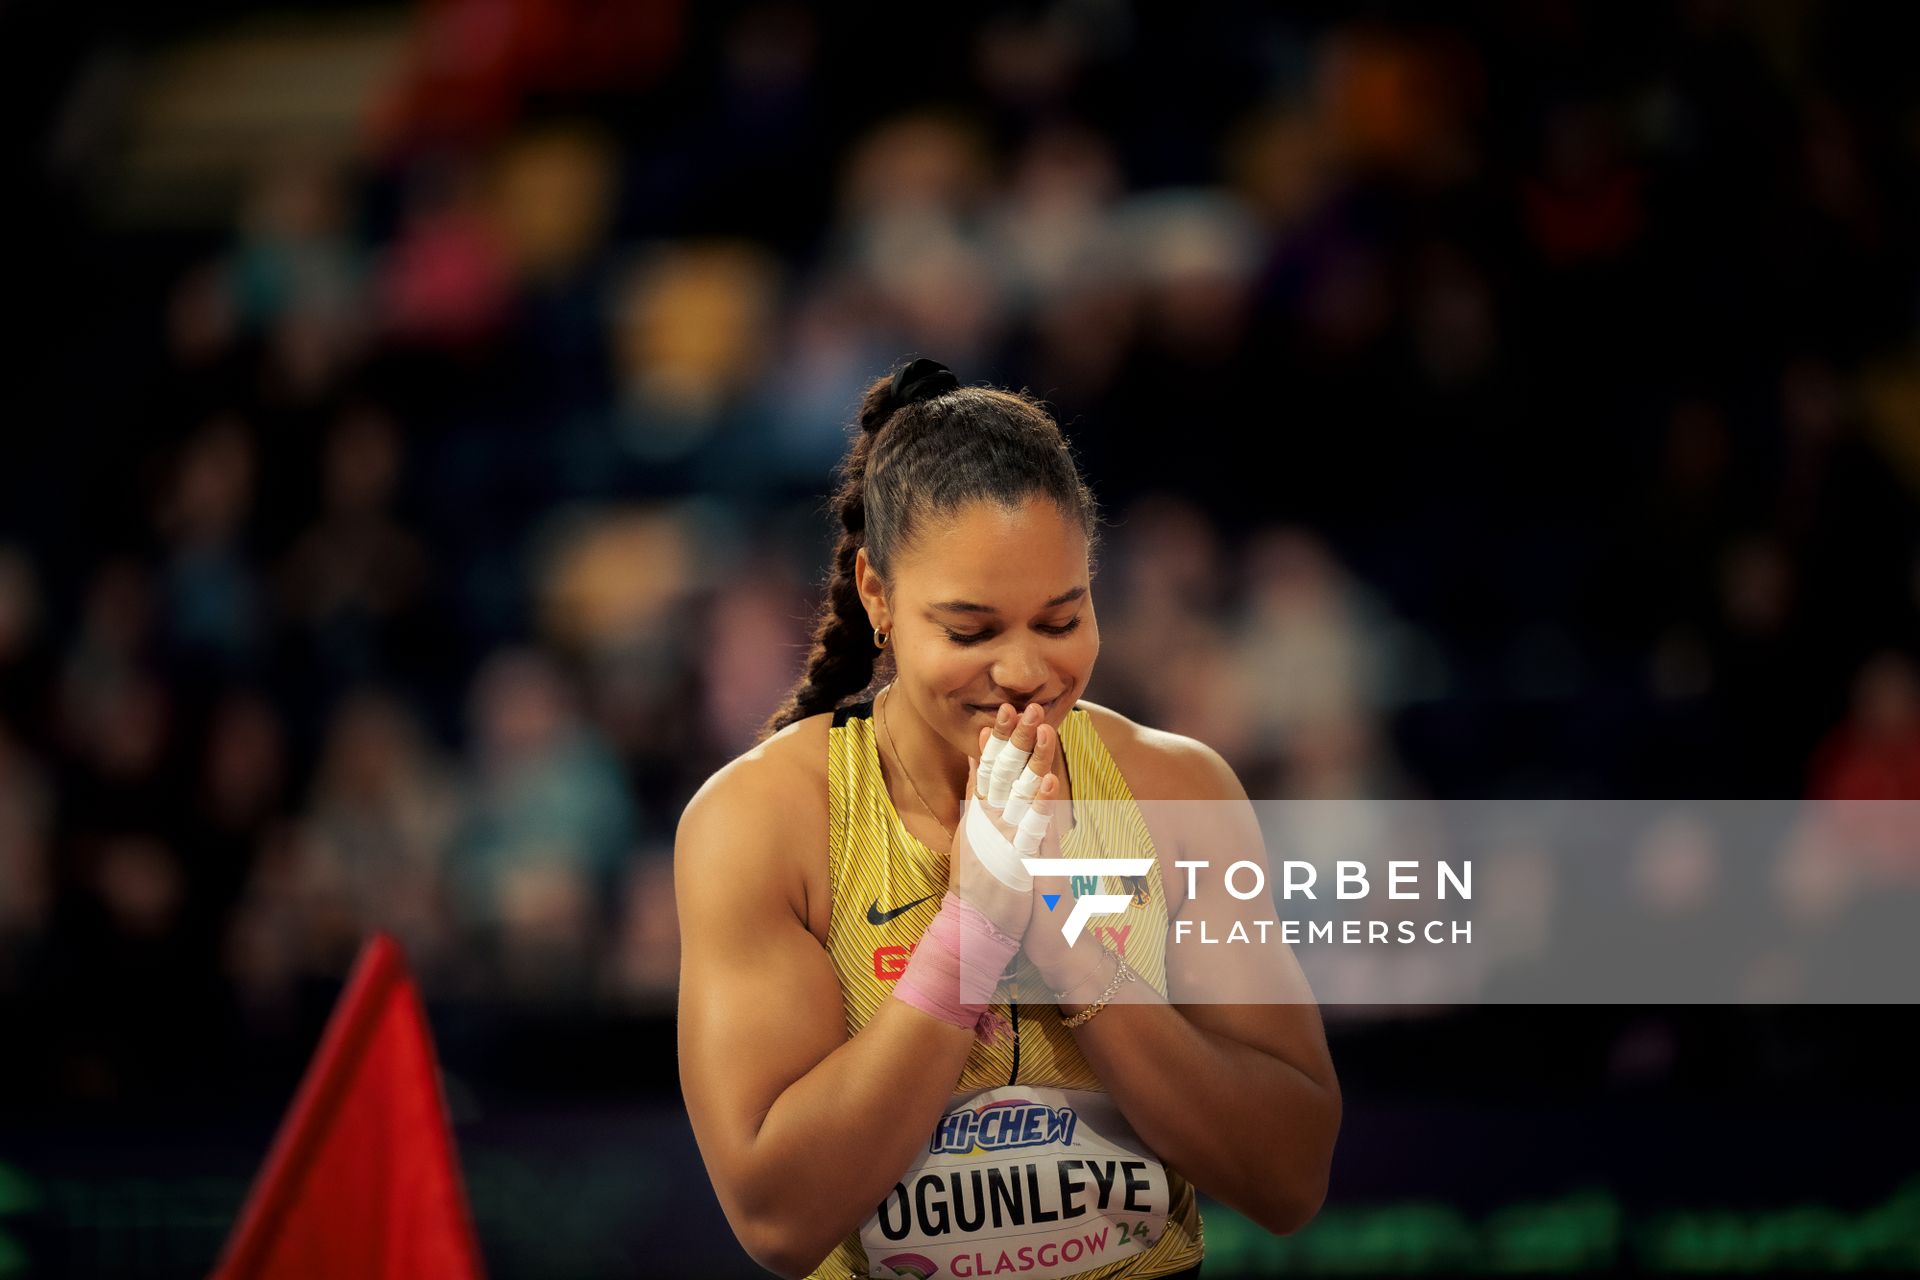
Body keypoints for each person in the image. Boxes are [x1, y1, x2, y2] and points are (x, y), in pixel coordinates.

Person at [676, 359, 1340, 1279]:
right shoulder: (763, 819)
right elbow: (779, 1218)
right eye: (972, 631)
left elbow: (1290, 1175)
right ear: (878, 596)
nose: (1028, 671)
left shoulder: (1182, 796)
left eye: (1061, 621)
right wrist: (974, 935)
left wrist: (1069, 943)